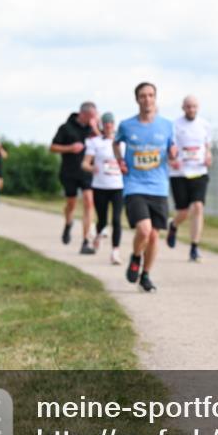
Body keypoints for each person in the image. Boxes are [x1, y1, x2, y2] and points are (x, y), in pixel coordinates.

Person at [115, 82, 177, 292]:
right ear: (137, 99)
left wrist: (174, 153)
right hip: (134, 185)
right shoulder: (126, 125)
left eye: (151, 95)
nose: (147, 99)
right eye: (143, 96)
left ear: (155, 98)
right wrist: (120, 161)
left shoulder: (167, 125)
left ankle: (146, 275)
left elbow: (172, 147)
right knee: (144, 229)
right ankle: (135, 256)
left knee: (153, 236)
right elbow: (116, 143)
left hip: (159, 186)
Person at [165, 95, 212, 262]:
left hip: (199, 171)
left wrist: (208, 156)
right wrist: (171, 160)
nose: (191, 110)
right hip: (179, 173)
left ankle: (194, 247)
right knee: (183, 212)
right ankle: (173, 225)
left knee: (198, 207)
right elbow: (168, 147)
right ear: (183, 107)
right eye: (188, 107)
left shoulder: (205, 125)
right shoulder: (174, 125)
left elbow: (207, 146)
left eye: (194, 106)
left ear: (197, 107)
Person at [50, 102, 98, 254]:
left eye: (95, 117)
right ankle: (68, 223)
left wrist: (95, 127)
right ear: (82, 114)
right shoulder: (66, 128)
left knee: (89, 203)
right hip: (69, 172)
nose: (93, 119)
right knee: (71, 203)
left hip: (87, 172)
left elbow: (105, 142)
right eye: (91, 116)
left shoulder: (93, 130)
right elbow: (53, 147)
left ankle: (86, 241)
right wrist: (70, 148)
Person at [82, 112, 124, 265]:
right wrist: (93, 168)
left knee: (117, 220)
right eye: (106, 123)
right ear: (102, 125)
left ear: (114, 125)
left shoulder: (121, 143)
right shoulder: (94, 142)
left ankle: (115, 252)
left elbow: (127, 163)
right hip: (100, 186)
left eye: (111, 123)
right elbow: (85, 164)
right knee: (103, 220)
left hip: (118, 186)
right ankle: (98, 235)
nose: (108, 126)